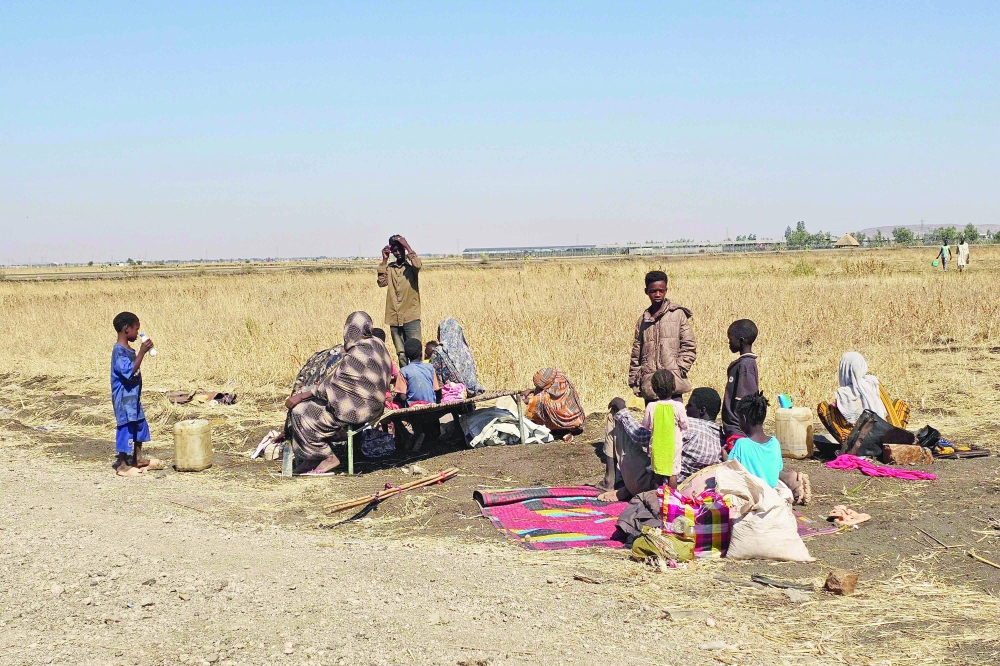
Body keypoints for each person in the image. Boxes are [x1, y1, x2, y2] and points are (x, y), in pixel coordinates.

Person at [283, 312, 394, 474]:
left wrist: (302, 395)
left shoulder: (357, 355)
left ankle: (326, 457)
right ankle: (311, 460)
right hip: (376, 407)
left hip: (358, 411)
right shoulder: (378, 345)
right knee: (317, 405)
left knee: (300, 413)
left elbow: (332, 387)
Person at [628, 271, 696, 403]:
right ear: (646, 291)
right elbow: (636, 354)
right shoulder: (643, 320)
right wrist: (635, 381)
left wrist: (679, 368)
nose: (657, 294)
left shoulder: (677, 314)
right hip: (650, 384)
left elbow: (689, 346)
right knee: (652, 421)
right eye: (653, 291)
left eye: (661, 290)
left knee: (676, 421)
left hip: (673, 383)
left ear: (666, 290)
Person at [817, 351, 910, 444]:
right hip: (888, 436)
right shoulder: (873, 382)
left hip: (858, 442)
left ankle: (848, 441)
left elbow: (847, 419)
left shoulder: (843, 393)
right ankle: (895, 431)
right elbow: (888, 408)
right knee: (900, 404)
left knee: (823, 407)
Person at [110, 312, 160, 477]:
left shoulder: (128, 350)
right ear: (126, 329)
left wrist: (139, 352)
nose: (138, 333)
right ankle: (123, 465)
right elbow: (128, 372)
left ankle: (137, 459)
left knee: (139, 425)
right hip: (124, 400)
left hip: (133, 398)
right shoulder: (118, 351)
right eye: (135, 329)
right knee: (126, 428)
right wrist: (142, 352)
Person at [598, 398, 656, 502]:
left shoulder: (670, 413)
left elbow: (640, 436)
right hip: (672, 488)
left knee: (614, 414)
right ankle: (627, 489)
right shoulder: (686, 423)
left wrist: (622, 409)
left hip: (649, 487)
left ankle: (609, 480)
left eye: (691, 405)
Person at [377, 235, 422, 367]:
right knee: (401, 353)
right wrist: (384, 260)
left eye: (400, 250)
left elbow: (418, 264)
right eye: (395, 251)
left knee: (416, 351)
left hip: (411, 316)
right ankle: (405, 380)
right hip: (394, 317)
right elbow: (381, 282)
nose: (398, 253)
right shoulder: (390, 269)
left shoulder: (411, 269)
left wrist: (407, 246)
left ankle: (418, 378)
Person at [641, 370, 688, 490]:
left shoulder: (651, 406)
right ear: (674, 386)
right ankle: (672, 500)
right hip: (674, 447)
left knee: (657, 474)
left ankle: (658, 499)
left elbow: (645, 425)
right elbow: (685, 425)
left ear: (654, 389)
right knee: (672, 475)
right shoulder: (678, 406)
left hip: (657, 446)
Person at [728, 392, 783, 488]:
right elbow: (776, 470)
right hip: (770, 493)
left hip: (751, 494)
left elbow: (730, 470)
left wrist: (725, 457)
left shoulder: (741, 444)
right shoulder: (774, 443)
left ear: (744, 419)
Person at [721, 319, 759, 444]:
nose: (729, 343)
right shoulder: (743, 364)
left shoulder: (745, 365)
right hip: (735, 429)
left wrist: (742, 428)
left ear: (741, 341)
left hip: (738, 431)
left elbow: (744, 401)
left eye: (730, 339)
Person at [523, 368, 585, 442]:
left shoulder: (558, 384)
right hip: (567, 415)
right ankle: (557, 429)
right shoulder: (553, 377)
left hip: (568, 417)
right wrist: (531, 390)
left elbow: (543, 398)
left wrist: (527, 400)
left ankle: (564, 431)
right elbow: (544, 389)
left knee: (541, 405)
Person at [429, 318, 485, 395]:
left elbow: (433, 379)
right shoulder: (466, 350)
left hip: (450, 397)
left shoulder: (439, 352)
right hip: (469, 395)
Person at [680, 387, 724, 482]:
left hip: (673, 489)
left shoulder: (689, 426)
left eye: (690, 405)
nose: (686, 407)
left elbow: (645, 436)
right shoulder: (722, 437)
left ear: (702, 410)